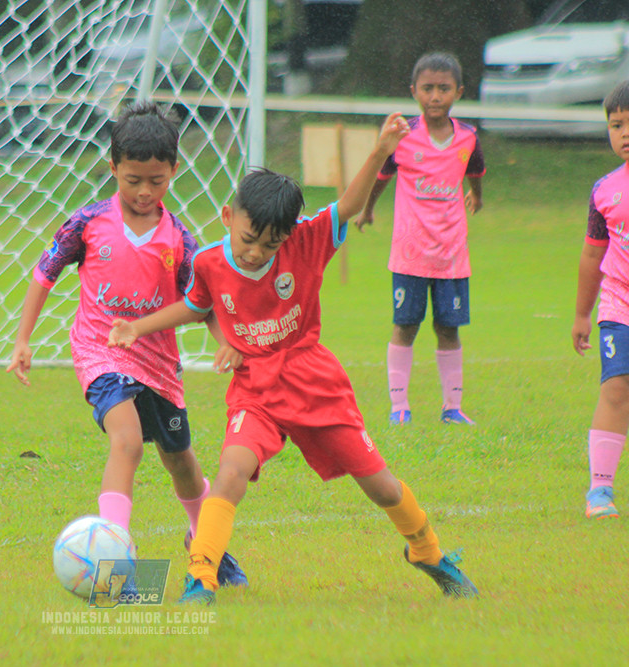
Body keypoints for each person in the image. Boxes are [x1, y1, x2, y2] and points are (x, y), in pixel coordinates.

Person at [109, 113, 479, 604]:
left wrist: (382, 149)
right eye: (249, 239)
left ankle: (428, 551)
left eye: (271, 243)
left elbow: (347, 206)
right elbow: (196, 307)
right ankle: (202, 575)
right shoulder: (209, 263)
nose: (259, 252)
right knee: (230, 472)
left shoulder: (305, 241)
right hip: (254, 389)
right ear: (227, 218)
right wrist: (138, 326)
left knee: (383, 488)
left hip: (312, 380)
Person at [7, 101, 247, 588]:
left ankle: (206, 545)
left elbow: (200, 303)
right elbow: (44, 274)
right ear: (113, 167)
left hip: (159, 365)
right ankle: (113, 558)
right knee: (128, 440)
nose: (143, 191)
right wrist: (23, 339)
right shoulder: (89, 222)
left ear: (173, 172)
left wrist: (224, 342)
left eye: (155, 181)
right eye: (132, 179)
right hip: (101, 353)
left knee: (181, 461)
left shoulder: (180, 237)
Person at [355, 52, 485, 426]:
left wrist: (477, 195)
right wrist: (368, 209)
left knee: (448, 327)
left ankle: (452, 408)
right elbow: (382, 175)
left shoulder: (468, 138)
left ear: (458, 92)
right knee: (406, 325)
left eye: (443, 88)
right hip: (410, 255)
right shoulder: (403, 138)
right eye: (427, 88)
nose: (435, 96)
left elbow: (475, 170)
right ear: (414, 91)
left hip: (451, 255)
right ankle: (400, 408)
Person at [573, 79, 629, 519]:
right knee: (615, 389)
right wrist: (581, 314)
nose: (624, 133)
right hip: (619, 304)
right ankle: (600, 492)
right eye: (616, 125)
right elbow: (593, 254)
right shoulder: (604, 190)